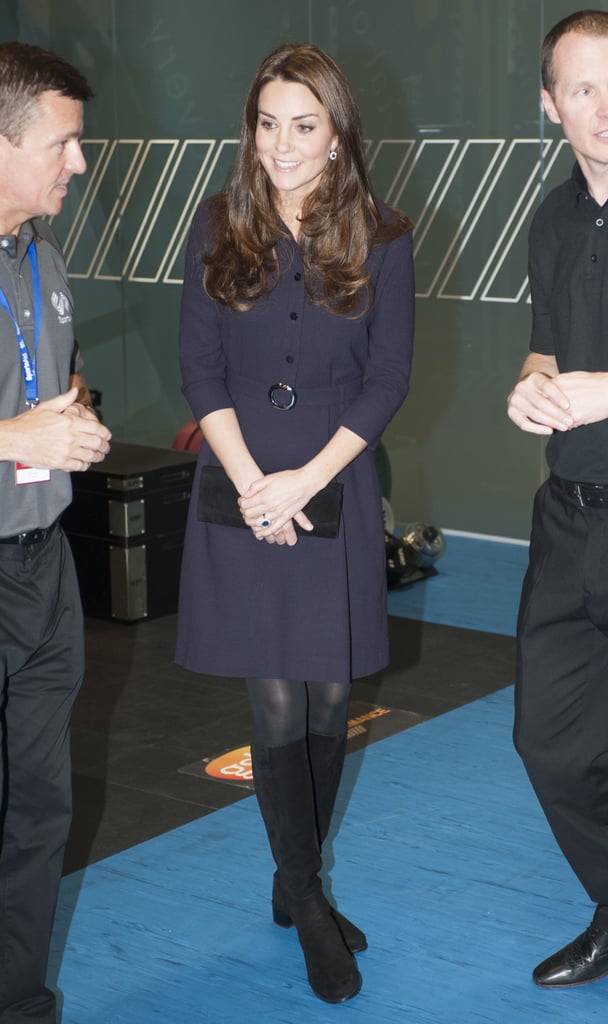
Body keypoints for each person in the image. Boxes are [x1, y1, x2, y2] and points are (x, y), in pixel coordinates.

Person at [177, 43, 414, 1003]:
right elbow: (201, 369)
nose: (282, 144)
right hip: (241, 494)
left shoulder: (385, 237)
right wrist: (254, 486)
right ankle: (310, 903)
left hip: (334, 487)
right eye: (268, 123)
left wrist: (305, 483)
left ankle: (292, 880)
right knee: (275, 703)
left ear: (337, 134)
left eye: (303, 125)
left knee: (327, 701)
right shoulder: (215, 224)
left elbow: (387, 380)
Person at [0, 42, 111, 1022]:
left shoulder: (42, 253)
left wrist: (66, 416)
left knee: (39, 812)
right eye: (62, 144)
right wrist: (13, 433)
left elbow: (43, 389)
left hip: (44, 570)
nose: (78, 164)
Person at [507, 8, 608, 992]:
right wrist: (529, 385)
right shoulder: (550, 218)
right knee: (544, 735)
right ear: (549, 106)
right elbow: (546, 343)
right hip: (567, 515)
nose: (603, 108)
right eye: (581, 88)